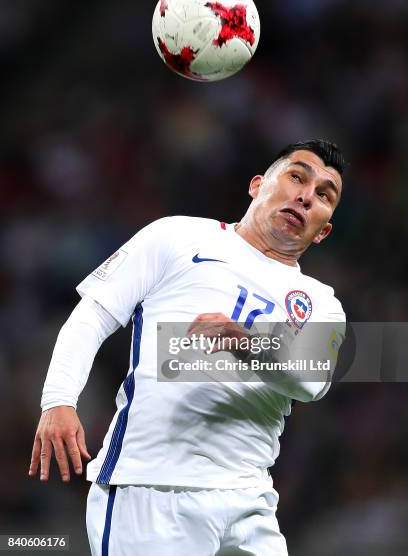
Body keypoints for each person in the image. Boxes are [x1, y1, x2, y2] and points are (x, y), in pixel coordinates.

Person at [29, 139, 346, 556]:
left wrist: (246, 344)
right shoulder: (177, 236)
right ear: (257, 185)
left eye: (324, 195)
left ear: (323, 229)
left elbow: (312, 381)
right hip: (151, 490)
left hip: (249, 502)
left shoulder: (320, 301)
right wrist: (58, 400)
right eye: (296, 176)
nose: (306, 196)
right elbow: (93, 316)